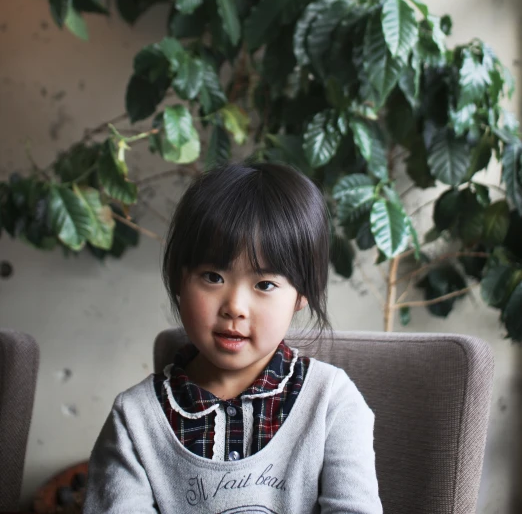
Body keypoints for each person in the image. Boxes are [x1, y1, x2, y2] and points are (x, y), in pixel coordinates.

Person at [84, 162, 382, 514]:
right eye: (212, 277)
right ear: (180, 279)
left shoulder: (332, 402)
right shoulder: (134, 418)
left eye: (265, 284)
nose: (235, 307)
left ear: (303, 294)